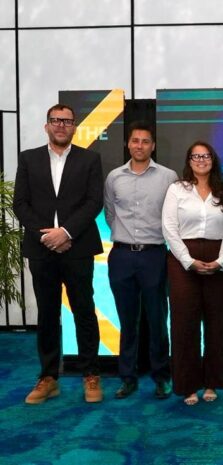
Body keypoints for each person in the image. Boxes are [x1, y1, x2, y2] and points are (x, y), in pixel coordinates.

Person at [13, 103, 104, 404]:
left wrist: (65, 232)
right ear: (47, 126)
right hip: (41, 250)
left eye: (66, 121)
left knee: (84, 311)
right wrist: (47, 236)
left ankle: (90, 373)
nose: (61, 125)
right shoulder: (28, 159)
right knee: (48, 313)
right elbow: (20, 203)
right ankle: (48, 377)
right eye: (55, 120)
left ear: (74, 126)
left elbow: (94, 202)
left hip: (77, 247)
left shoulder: (90, 159)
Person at [104, 121, 178, 400]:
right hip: (121, 256)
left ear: (153, 146)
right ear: (128, 144)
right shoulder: (114, 177)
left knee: (158, 319)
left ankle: (162, 376)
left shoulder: (168, 177)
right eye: (135, 140)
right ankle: (127, 377)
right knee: (127, 320)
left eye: (145, 141)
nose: (139, 146)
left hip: (154, 255)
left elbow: (173, 215)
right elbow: (110, 213)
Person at [162, 141, 223, 406]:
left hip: (218, 259)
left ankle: (213, 382)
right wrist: (188, 260)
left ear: (213, 160)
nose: (201, 160)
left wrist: (221, 260)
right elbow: (169, 228)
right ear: (189, 161)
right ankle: (188, 385)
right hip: (183, 260)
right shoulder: (177, 189)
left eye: (206, 156)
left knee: (217, 322)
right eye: (196, 156)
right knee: (184, 324)